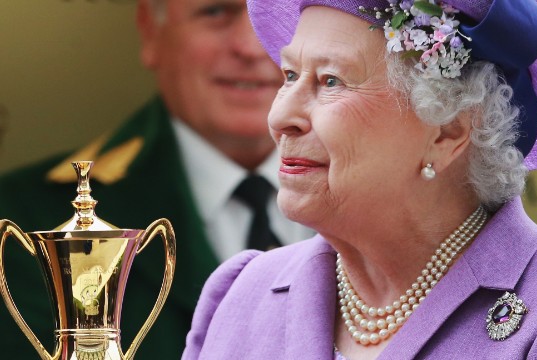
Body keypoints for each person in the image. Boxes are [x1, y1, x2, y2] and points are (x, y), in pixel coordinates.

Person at [182, 0, 537, 358]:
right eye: (288, 75)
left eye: (331, 81)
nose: (281, 117)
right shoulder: (240, 294)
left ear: (448, 131)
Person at [0, 0, 312, 358]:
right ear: (150, 29)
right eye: (215, 12)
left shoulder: (387, 203)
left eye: (278, 14)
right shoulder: (26, 221)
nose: (251, 46)